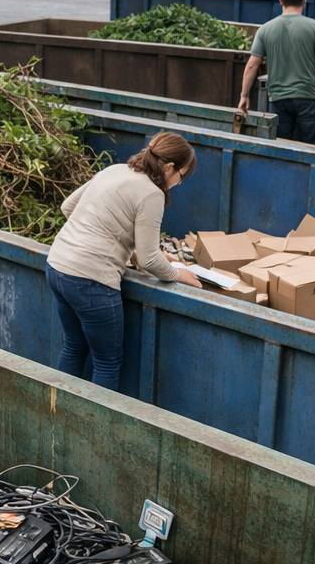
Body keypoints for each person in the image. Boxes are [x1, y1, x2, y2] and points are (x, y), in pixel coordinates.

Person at [45, 132, 202, 389]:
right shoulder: (152, 194)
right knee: (106, 362)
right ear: (170, 168)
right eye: (181, 177)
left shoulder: (115, 170)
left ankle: (57, 418)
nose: (178, 184)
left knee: (74, 347)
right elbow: (150, 260)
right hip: (90, 280)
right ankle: (95, 429)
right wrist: (177, 274)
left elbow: (68, 207)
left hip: (57, 265)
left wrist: (126, 249)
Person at [238, 0, 315, 146]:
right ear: (304, 1)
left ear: (280, 0)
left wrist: (244, 96)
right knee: (313, 150)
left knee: (281, 148)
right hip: (309, 97)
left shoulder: (265, 29)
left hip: (278, 99)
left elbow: (252, 65)